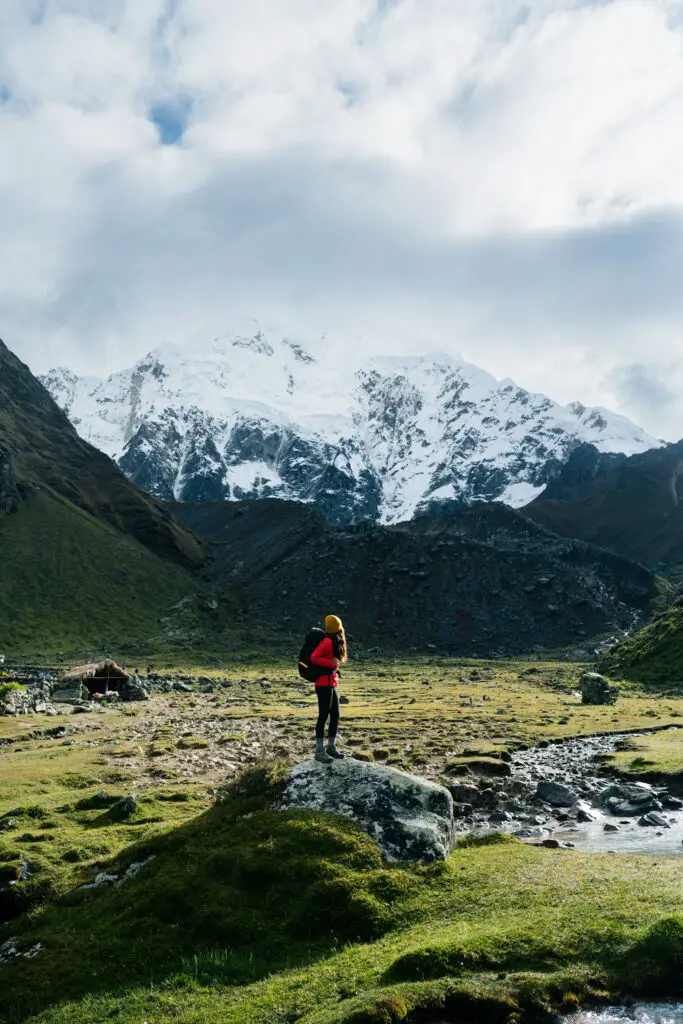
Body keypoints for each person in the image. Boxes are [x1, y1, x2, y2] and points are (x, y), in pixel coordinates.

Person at [310, 614, 348, 763]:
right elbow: (314, 658)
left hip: (330, 682)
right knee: (323, 715)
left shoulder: (332, 640)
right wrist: (331, 663)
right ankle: (319, 751)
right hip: (322, 683)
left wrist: (333, 666)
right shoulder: (326, 642)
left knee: (335, 714)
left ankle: (331, 747)